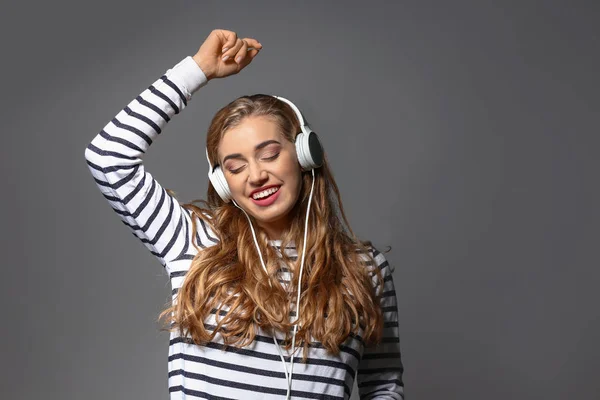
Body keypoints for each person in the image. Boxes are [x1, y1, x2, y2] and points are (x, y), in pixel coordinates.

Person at [84, 29, 404, 400]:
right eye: (236, 167)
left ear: (304, 155)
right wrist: (198, 70)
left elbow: (383, 384)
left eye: (269, 155)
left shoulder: (366, 270)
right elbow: (108, 158)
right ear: (223, 184)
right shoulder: (193, 241)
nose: (256, 175)